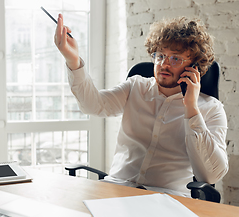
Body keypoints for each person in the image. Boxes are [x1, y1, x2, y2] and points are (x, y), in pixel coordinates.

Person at [54, 14, 228, 197]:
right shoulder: (136, 86)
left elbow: (211, 175)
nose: (164, 65)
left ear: (195, 66)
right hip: (117, 189)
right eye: (160, 56)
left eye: (175, 58)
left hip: (167, 198)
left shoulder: (211, 109)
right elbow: (92, 105)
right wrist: (72, 59)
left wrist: (191, 109)